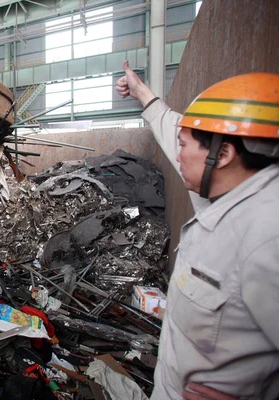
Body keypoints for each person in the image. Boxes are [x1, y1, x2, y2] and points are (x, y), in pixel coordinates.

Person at [116, 61, 279, 400]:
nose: (177, 155)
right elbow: (172, 125)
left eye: (184, 146)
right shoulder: (227, 186)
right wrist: (141, 91)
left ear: (223, 155)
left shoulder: (267, 233)